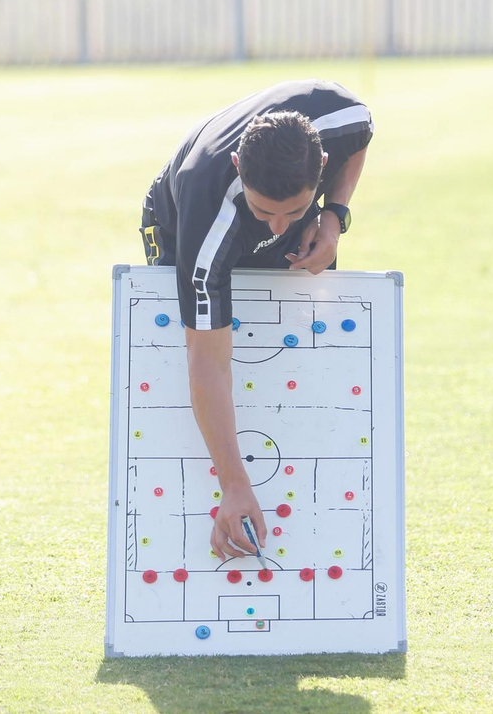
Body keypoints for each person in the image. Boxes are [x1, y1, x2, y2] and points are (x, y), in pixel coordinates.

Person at [141, 79, 372, 561]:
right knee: (196, 348)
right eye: (266, 210)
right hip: (179, 223)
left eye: (294, 210)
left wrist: (331, 218)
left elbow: (360, 140)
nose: (279, 227)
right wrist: (234, 483)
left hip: (282, 198)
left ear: (320, 164)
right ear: (238, 168)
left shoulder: (342, 119)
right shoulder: (207, 222)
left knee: (293, 351)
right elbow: (208, 364)